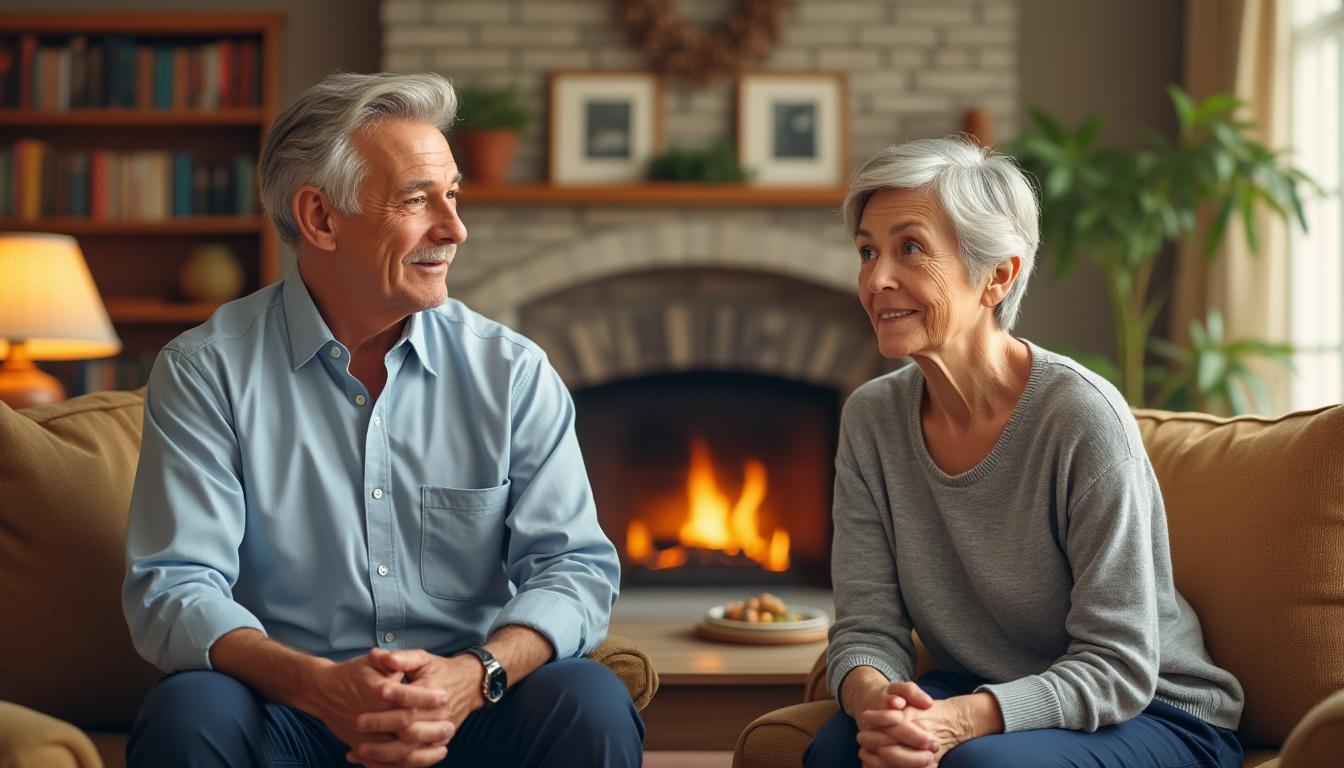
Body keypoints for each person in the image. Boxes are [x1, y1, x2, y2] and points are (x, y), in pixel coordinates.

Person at [122, 72, 642, 768]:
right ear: (321, 219)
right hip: (291, 713)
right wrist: (319, 687)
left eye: (452, 195)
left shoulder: (511, 372)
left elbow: (573, 567)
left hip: (467, 707)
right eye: (416, 200)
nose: (454, 228)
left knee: (591, 698)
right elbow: (174, 587)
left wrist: (475, 674)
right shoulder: (206, 371)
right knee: (188, 711)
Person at [805, 136, 1244, 768]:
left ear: (998, 275)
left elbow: (1120, 665)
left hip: (1154, 710)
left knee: (979, 765)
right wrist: (878, 703)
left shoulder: (1081, 418)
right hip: (988, 690)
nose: (877, 279)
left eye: (911, 248)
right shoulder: (871, 419)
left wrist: (960, 720)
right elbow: (867, 626)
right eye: (867, 251)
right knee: (837, 754)